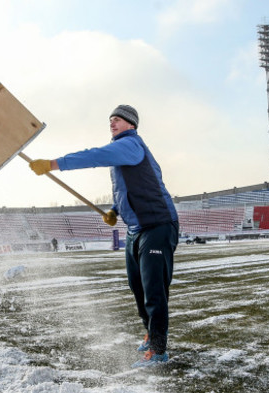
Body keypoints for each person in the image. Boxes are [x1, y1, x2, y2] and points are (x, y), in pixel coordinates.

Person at [29, 105, 179, 367]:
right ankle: (150, 333)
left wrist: (54, 164)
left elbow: (93, 156)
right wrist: (114, 209)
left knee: (154, 291)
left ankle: (158, 351)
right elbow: (126, 190)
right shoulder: (122, 152)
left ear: (131, 124)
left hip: (157, 226)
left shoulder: (131, 145)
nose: (112, 123)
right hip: (135, 230)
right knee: (138, 288)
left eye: (118, 119)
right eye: (110, 119)